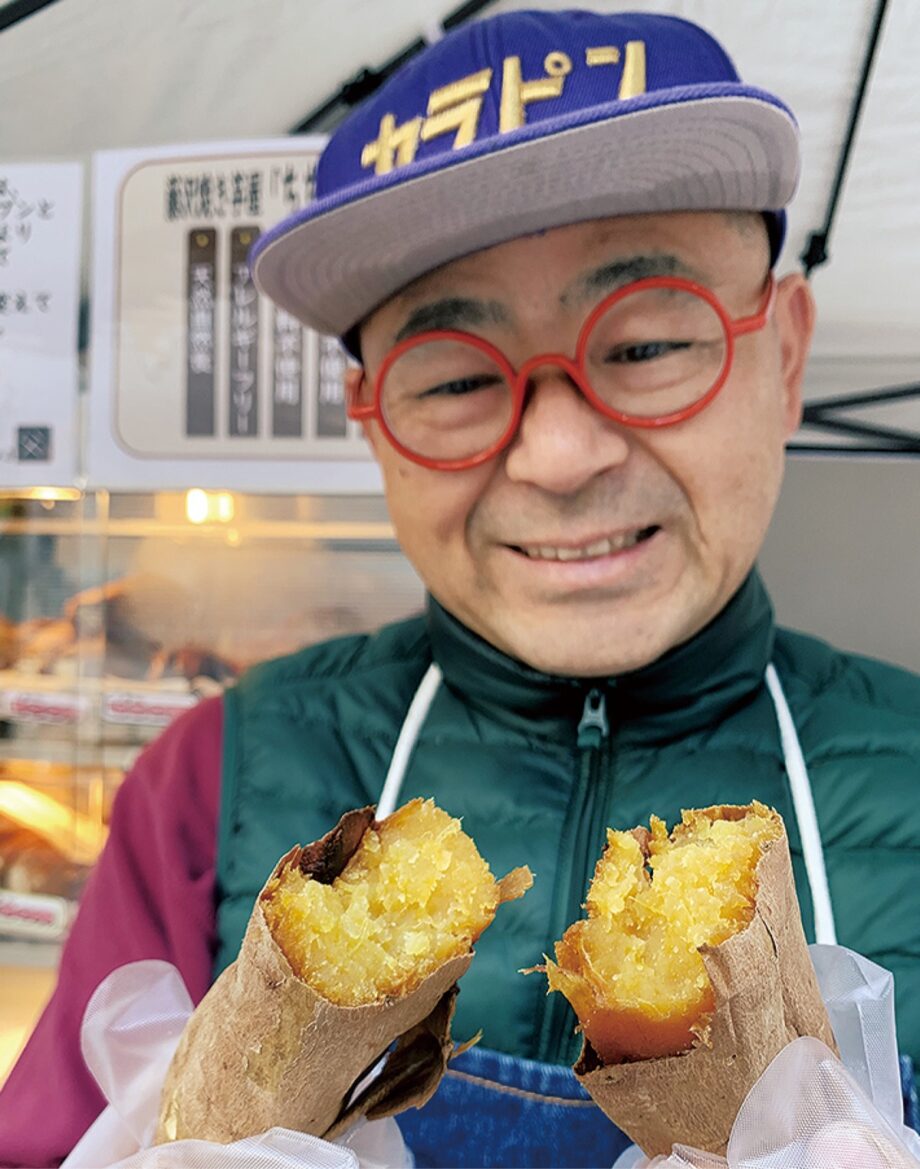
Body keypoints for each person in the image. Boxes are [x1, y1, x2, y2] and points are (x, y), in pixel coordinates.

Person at [2, 9, 919, 1168]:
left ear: (782, 354)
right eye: (450, 379)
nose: (558, 454)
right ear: (370, 419)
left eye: (644, 345)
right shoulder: (202, 781)